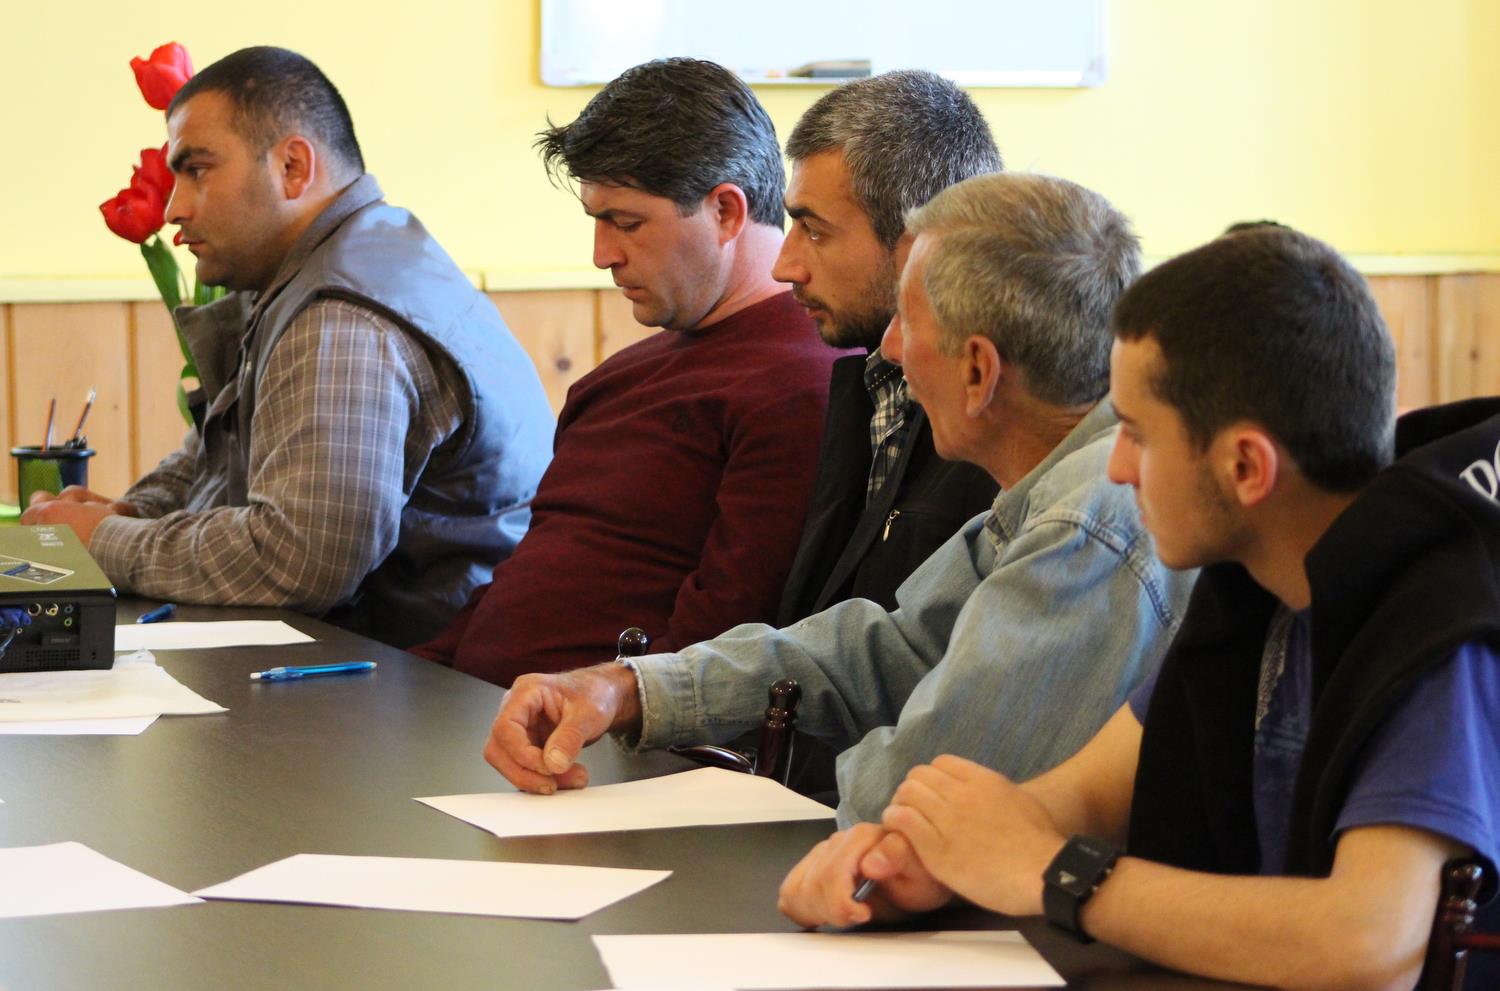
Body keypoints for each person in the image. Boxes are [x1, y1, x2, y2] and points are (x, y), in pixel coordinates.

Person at [778, 226, 1500, 991]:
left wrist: (1058, 874)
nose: (1117, 468)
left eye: (1136, 433)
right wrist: (927, 858)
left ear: (1246, 466)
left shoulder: (1440, 623)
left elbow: (1369, 943)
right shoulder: (1257, 584)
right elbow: (1086, 792)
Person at [484, 172, 1199, 826]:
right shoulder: (1058, 487)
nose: (889, 349)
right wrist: (627, 688)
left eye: (907, 321)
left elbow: (915, 796)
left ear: (979, 371)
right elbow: (888, 649)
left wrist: (773, 796)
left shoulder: (1087, 523)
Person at [21, 47, 554, 648]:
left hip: (424, 683)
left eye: (196, 169)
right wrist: (128, 513)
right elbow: (217, 454)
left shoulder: (340, 317)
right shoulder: (341, 263)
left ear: (293, 168)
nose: (173, 208)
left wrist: (101, 541)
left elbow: (298, 562)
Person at [411, 59, 848, 686]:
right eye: (595, 220)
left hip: (598, 732)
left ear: (726, 212)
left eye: (625, 222)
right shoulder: (616, 377)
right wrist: (416, 680)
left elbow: (720, 644)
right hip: (478, 707)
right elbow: (529, 575)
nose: (602, 254)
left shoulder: (797, 387)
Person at [773, 70, 1002, 627]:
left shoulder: (1001, 420)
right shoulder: (875, 381)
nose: (785, 266)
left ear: (917, 239)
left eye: (814, 230)